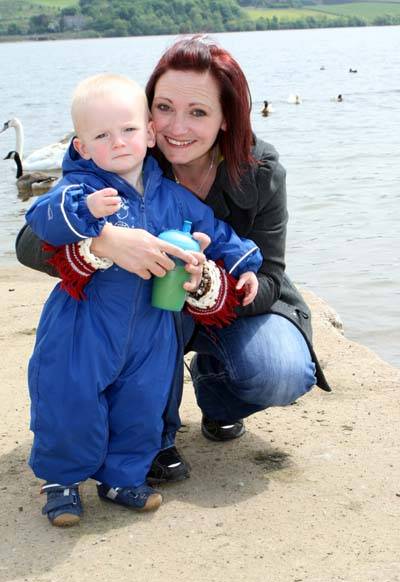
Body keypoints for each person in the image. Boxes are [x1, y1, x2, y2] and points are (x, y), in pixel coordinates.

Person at [16, 35, 330, 489]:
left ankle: (217, 394)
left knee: (278, 369)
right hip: (135, 307)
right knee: (134, 344)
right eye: (164, 107)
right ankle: (151, 436)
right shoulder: (119, 153)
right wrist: (105, 241)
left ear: (226, 120)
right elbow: (31, 240)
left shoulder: (261, 171)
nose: (175, 127)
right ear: (147, 114)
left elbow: (268, 276)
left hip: (215, 308)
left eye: (198, 112)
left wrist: (210, 286)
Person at [25, 73, 262, 527]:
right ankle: (61, 480)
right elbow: (41, 220)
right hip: (84, 322)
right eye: (101, 135)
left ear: (149, 133)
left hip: (153, 326)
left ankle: (122, 476)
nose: (117, 142)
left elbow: (214, 230)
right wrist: (87, 216)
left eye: (129, 130)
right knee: (69, 396)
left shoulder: (173, 196)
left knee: (143, 400)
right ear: (81, 147)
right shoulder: (81, 190)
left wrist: (242, 263)